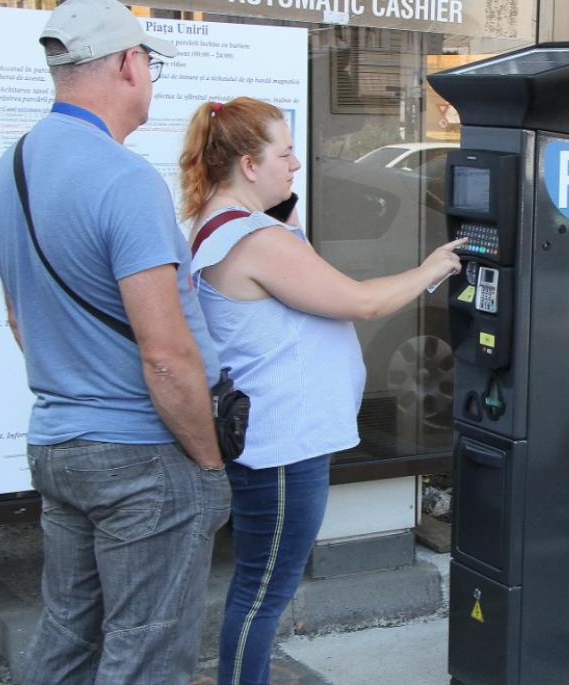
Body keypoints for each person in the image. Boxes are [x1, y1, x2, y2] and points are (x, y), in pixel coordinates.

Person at [0, 1, 230, 683]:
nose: (148, 74)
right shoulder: (124, 180)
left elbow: (18, 319)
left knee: (67, 634)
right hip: (142, 456)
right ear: (127, 63)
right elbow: (165, 352)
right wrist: (208, 465)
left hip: (59, 439)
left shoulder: (12, 170)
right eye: (147, 60)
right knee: (144, 651)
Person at [178, 97, 465, 685]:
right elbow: (360, 302)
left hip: (267, 435)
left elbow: (302, 275)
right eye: (285, 154)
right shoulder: (256, 240)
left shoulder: (216, 221)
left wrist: (284, 214)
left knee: (258, 583)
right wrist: (434, 266)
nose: (297, 165)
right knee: (264, 589)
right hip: (284, 444)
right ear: (250, 165)